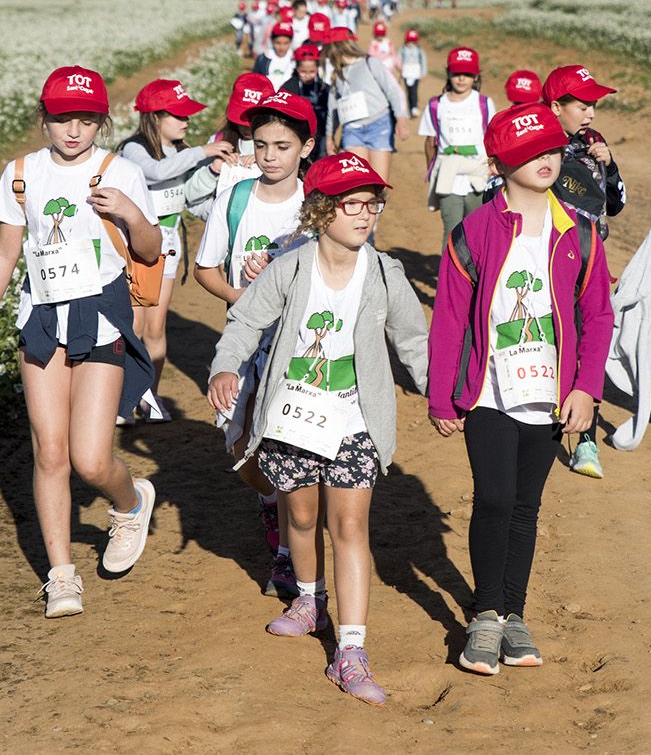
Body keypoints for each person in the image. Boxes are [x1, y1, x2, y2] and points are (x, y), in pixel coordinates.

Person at [207, 151, 429, 707]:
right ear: (321, 212)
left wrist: (441, 393)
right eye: (352, 205)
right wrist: (224, 366)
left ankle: (351, 651)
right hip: (291, 417)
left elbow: (414, 341)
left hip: (355, 420)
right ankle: (309, 599)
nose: (364, 215)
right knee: (300, 519)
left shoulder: (385, 273)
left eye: (372, 205)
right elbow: (245, 322)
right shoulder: (290, 267)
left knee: (349, 525)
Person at [0, 65, 162, 619]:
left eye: (85, 119)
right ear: (43, 118)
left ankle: (129, 502)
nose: (72, 130)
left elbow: (149, 250)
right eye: (60, 118)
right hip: (41, 318)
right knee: (50, 452)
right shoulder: (21, 173)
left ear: (101, 119)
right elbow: (6, 251)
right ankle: (61, 574)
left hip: (100, 316)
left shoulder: (118, 170)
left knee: (91, 460)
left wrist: (129, 212)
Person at [427, 103, 613, 675]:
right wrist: (441, 394)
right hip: (488, 392)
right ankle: (485, 615)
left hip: (551, 394)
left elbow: (598, 316)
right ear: (501, 163)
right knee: (496, 497)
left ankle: (514, 615)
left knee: (526, 507)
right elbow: (450, 318)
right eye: (532, 153)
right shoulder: (474, 231)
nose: (547, 161)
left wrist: (586, 389)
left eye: (553, 151)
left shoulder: (577, 232)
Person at [195, 91, 319, 599]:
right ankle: (269, 500)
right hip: (244, 343)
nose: (269, 156)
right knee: (244, 450)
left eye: (282, 146)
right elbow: (204, 269)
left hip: (300, 345)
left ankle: (289, 558)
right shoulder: (237, 198)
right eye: (261, 143)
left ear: (305, 149)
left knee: (288, 447)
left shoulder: (316, 204)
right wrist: (243, 297)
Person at [119, 78, 234, 420]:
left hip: (168, 246)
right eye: (178, 114)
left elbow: (190, 201)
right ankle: (123, 400)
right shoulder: (133, 149)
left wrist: (227, 207)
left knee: (155, 328)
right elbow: (154, 173)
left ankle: (148, 398)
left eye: (187, 114)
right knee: (134, 326)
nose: (186, 120)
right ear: (154, 117)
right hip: (132, 248)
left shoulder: (184, 154)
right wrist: (202, 153)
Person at [539, 65, 628, 476]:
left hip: (591, 260)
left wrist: (608, 166)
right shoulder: (537, 145)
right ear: (556, 106)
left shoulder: (594, 142)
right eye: (583, 104)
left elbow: (618, 202)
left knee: (589, 340)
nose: (591, 112)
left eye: (594, 104)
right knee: (553, 340)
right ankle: (543, 421)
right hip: (546, 260)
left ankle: (587, 441)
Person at [420, 46, 495, 250]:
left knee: (477, 231)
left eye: (468, 74)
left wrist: (491, 168)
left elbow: (492, 138)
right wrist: (433, 171)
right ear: (448, 73)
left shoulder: (484, 103)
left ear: (475, 76)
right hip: (448, 178)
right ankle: (449, 280)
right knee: (452, 231)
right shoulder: (437, 104)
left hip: (477, 177)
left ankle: (475, 280)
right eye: (457, 73)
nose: (462, 78)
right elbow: (430, 142)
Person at [325, 26, 410, 188]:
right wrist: (330, 137)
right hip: (352, 130)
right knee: (357, 183)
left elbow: (393, 90)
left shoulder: (370, 63)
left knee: (378, 185)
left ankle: (374, 214)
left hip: (380, 126)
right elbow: (333, 109)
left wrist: (401, 119)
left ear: (335, 48)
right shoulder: (337, 75)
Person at [183, 72, 269, 219]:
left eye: (253, 121)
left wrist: (266, 161)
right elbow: (190, 196)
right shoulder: (219, 142)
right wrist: (214, 170)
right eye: (241, 121)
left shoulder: (280, 147)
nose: (246, 128)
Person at [281, 43, 331, 161]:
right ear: (297, 68)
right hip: (297, 132)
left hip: (320, 133)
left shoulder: (324, 89)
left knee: (321, 161)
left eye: (312, 71)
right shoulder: (288, 88)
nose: (307, 75)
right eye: (303, 71)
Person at [254, 20, 298, 85]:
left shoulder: (295, 59)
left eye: (286, 43)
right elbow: (255, 80)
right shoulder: (263, 58)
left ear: (291, 42)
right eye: (278, 43)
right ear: (272, 41)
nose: (282, 47)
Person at [399, 28, 427, 117]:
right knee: (408, 91)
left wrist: (423, 73)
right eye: (409, 41)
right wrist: (400, 70)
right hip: (406, 73)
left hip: (415, 73)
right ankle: (409, 108)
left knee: (414, 91)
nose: (410, 44)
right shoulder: (402, 49)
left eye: (412, 42)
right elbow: (399, 60)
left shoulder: (419, 50)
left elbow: (423, 61)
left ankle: (414, 107)